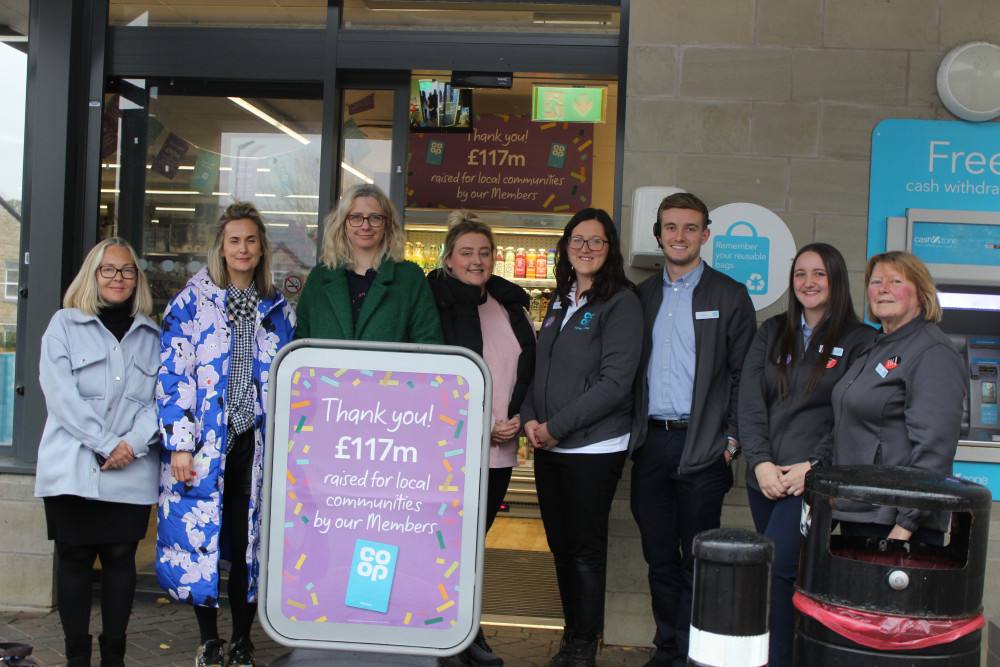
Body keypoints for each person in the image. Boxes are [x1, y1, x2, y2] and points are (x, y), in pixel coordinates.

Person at [156, 202, 296, 667]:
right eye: (234, 240)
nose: (243, 248)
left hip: (254, 449)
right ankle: (208, 640)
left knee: (247, 546)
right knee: (203, 546)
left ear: (261, 250)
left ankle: (242, 641)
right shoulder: (191, 304)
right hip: (203, 447)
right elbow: (173, 375)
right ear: (222, 246)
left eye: (251, 240)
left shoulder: (279, 312)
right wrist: (179, 442)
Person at [629, 192, 756, 667]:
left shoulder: (729, 294)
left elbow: (747, 375)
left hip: (705, 448)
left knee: (697, 560)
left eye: (689, 228)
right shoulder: (640, 297)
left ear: (705, 235)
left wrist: (732, 442)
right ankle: (667, 652)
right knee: (659, 558)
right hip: (653, 444)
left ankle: (691, 655)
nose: (678, 236)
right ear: (658, 234)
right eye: (670, 227)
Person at [737, 243, 876, 667]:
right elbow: (749, 401)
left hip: (811, 482)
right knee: (783, 576)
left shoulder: (861, 340)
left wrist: (814, 467)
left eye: (819, 274)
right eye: (801, 274)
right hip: (765, 478)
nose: (809, 283)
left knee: (780, 569)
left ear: (836, 280)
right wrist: (759, 461)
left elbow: (853, 415)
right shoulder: (772, 330)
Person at [522, 208, 642, 667]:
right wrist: (532, 417)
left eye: (596, 241)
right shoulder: (560, 298)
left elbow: (615, 384)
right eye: (577, 240)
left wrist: (555, 427)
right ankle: (572, 634)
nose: (585, 248)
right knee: (560, 546)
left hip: (592, 448)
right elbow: (539, 366)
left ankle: (582, 648)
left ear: (609, 249)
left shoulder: (622, 302)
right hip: (549, 444)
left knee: (584, 551)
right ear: (566, 247)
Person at [34, 238, 160, 667]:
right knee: (74, 558)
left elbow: (160, 402)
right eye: (108, 269)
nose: (118, 278)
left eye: (127, 270)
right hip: (72, 465)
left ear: (136, 278)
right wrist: (107, 444)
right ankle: (75, 659)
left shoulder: (152, 334)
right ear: (93, 275)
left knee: (121, 558)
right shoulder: (64, 325)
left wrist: (132, 445)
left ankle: (114, 658)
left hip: (131, 466)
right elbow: (60, 395)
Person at [427, 210, 536, 667]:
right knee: (445, 543)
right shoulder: (437, 302)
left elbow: (527, 366)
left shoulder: (510, 303)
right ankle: (450, 633)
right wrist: (478, 423)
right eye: (466, 252)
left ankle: (464, 628)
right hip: (453, 447)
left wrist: (517, 416)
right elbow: (431, 376)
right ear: (449, 259)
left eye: (484, 252)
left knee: (473, 545)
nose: (476, 260)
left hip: (501, 448)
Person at [813, 251, 965, 543]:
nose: (883, 288)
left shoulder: (933, 352)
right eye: (876, 281)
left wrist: (906, 525)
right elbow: (847, 423)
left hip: (894, 526)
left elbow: (935, 451)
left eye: (895, 281)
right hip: (857, 510)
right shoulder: (876, 345)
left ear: (921, 294)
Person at [294, 183, 442, 344]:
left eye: (375, 217)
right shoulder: (320, 276)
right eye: (356, 217)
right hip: (326, 370)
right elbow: (300, 340)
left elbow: (429, 342)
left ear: (387, 223)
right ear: (343, 223)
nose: (366, 226)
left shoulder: (409, 276)